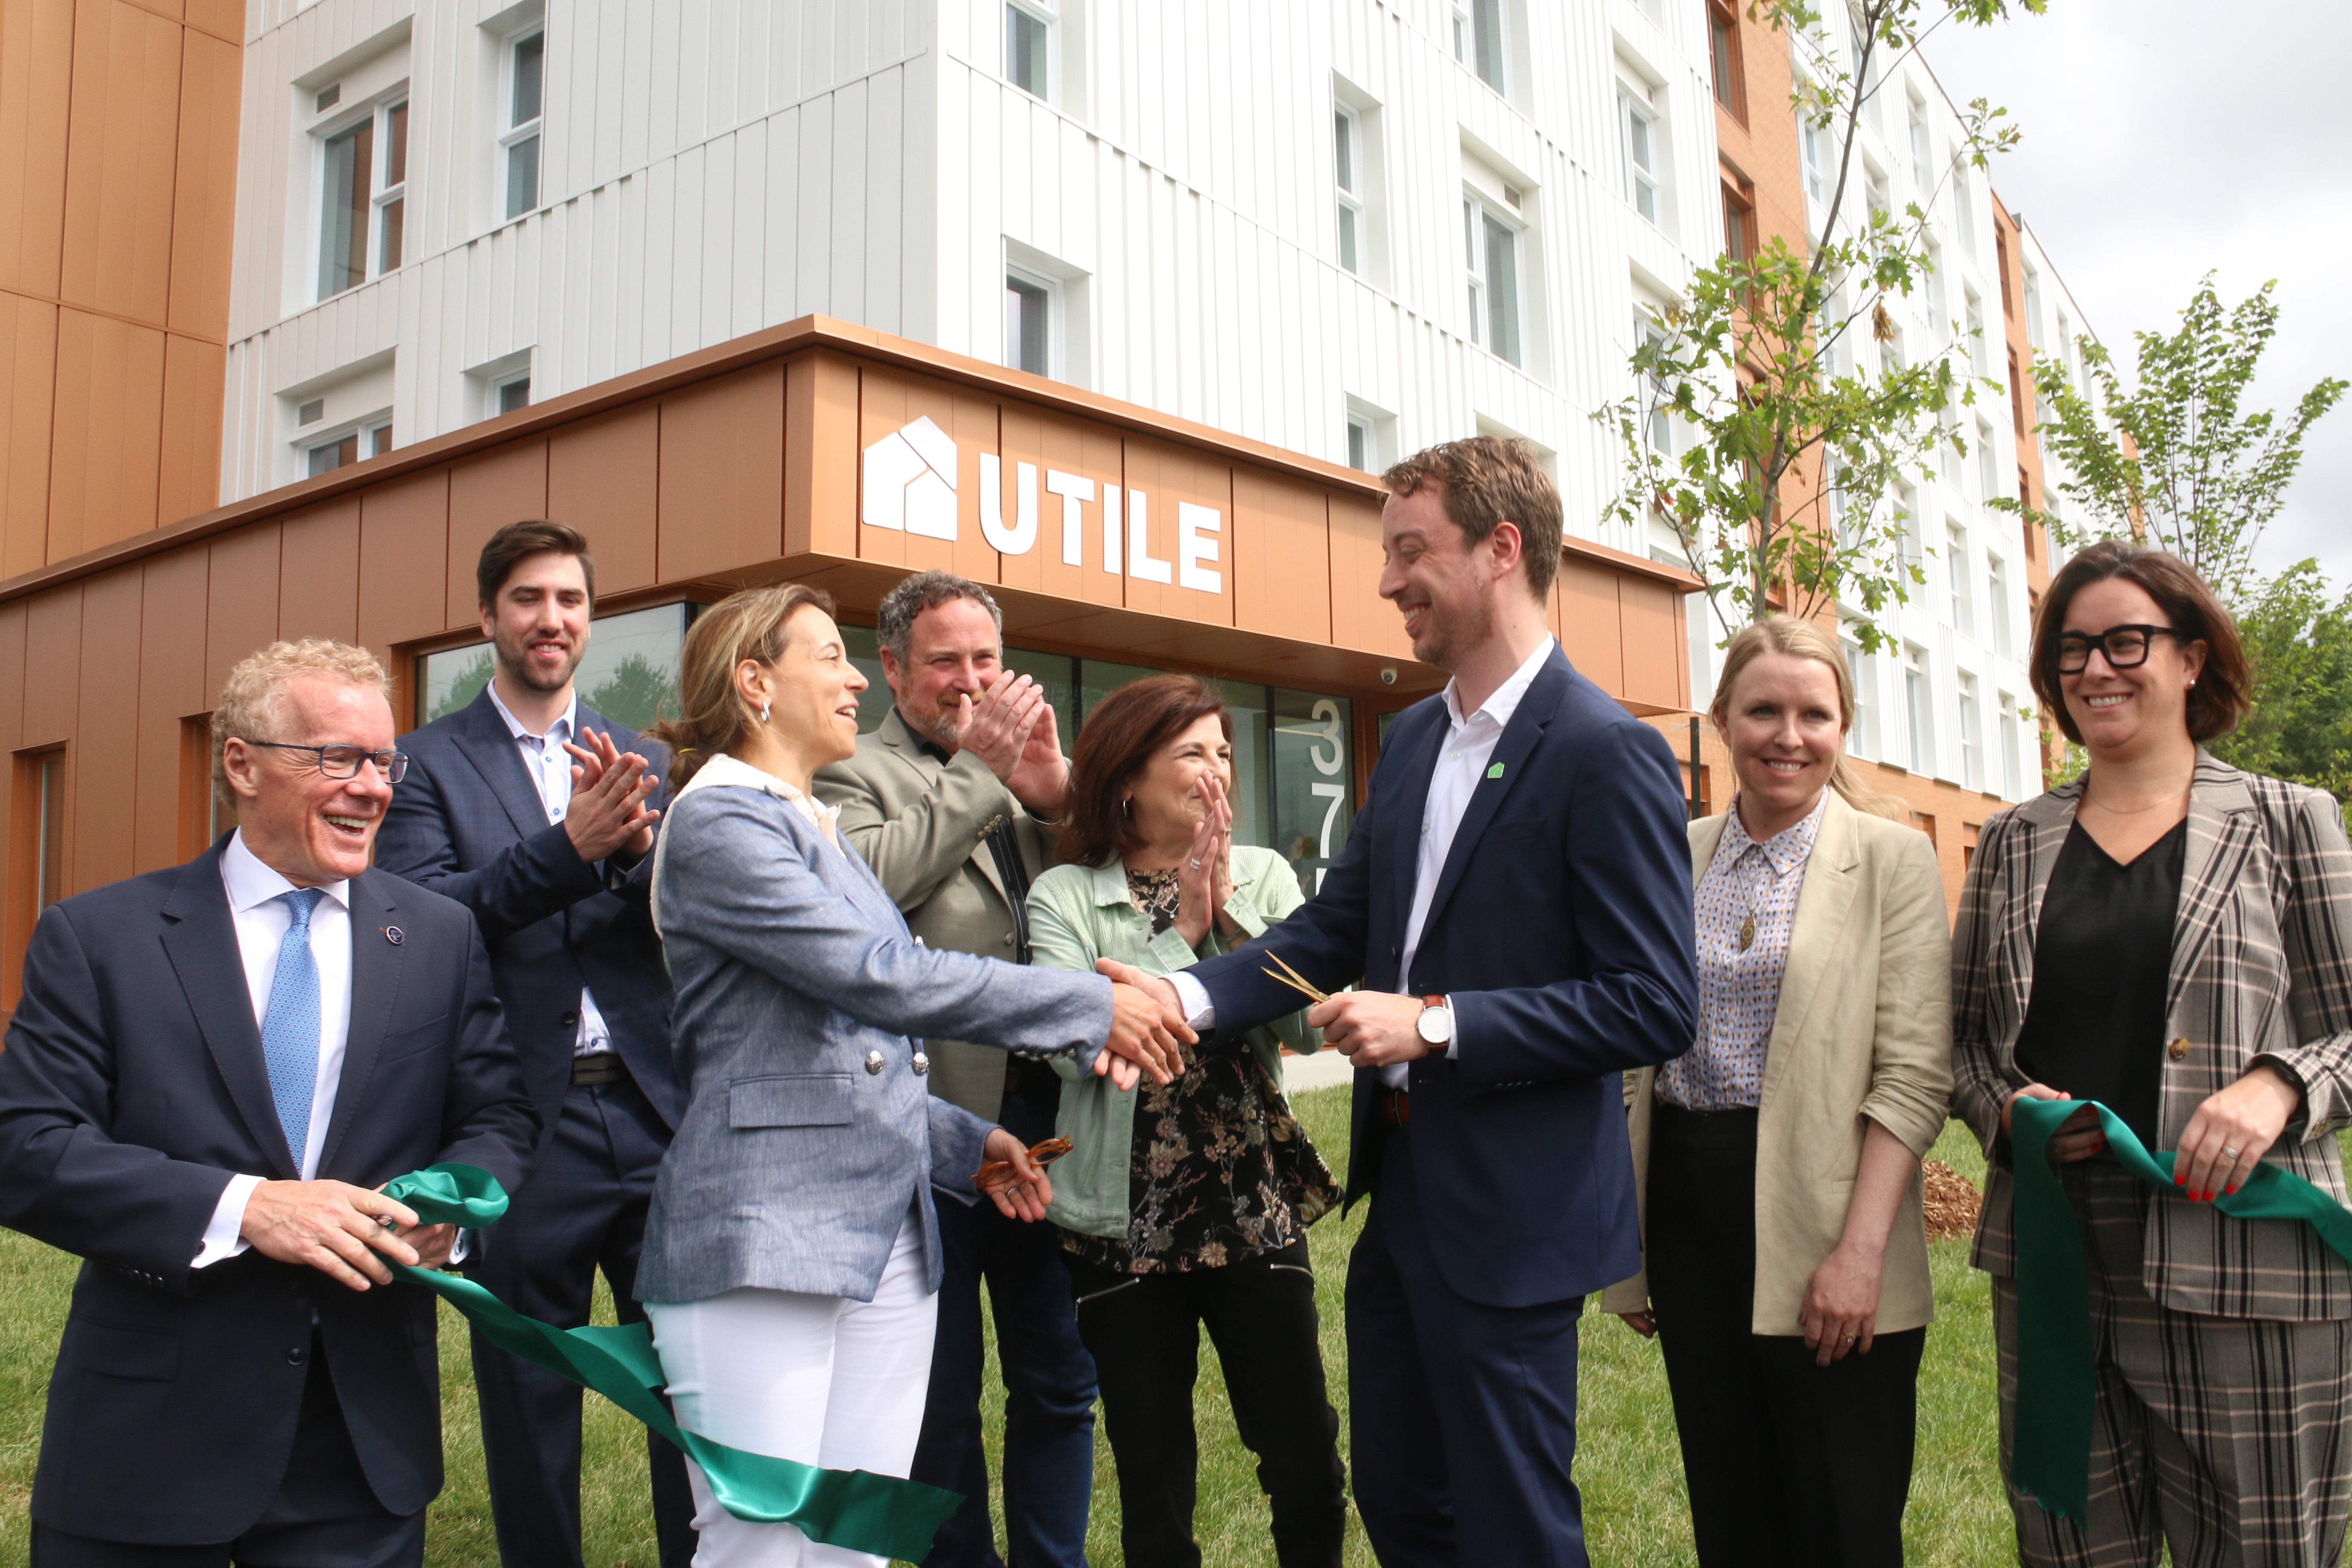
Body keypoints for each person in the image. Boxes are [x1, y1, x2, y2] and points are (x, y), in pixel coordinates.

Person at [1106, 437, 1700, 1568]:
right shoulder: (1421, 736)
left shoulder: (1605, 751)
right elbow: (1332, 930)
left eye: (1410, 552)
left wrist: (1435, 1024)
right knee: (1397, 1499)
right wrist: (1181, 993)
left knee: (1515, 1526)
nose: (1387, 583)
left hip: (1515, 1215)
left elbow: (1654, 1002)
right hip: (1405, 1196)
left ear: (1503, 549)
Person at [632, 583, 1192, 1568]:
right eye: (831, 657)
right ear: (755, 682)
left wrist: (966, 1139)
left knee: (855, 1536)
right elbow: (880, 978)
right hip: (766, 1230)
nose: (856, 678)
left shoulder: (802, 819)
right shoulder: (722, 821)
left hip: (888, 1224)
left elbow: (842, 1041)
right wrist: (1091, 1005)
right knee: (762, 1538)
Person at [0, 639, 539, 1567]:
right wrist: (247, 1207)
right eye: (336, 757)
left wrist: (452, 1207)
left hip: (362, 1452)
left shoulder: (441, 938)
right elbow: (28, 1148)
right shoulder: (99, 939)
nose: (373, 787)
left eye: (382, 760)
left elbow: (497, 1118)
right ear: (241, 765)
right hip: (148, 1451)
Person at [1951, 539, 2352, 1566]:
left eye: (2125, 640)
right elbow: (1962, 1048)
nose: (2094, 669)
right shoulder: (2008, 842)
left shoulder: (2289, 822)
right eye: (2071, 651)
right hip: (2055, 1262)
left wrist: (2282, 1088)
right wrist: (2008, 1111)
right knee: (2070, 1548)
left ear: (2192, 658)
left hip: (2250, 1266)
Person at [1599, 615, 1953, 1568]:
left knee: (1842, 1518)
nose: (1788, 736)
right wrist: (1629, 1245)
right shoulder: (1674, 854)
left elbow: (1916, 1073)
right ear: (1722, 720)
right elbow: (1634, 1052)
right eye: (1763, 710)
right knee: (1733, 1509)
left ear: (1844, 726)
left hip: (1830, 1210)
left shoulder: (1893, 858)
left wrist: (1860, 1254)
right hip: (1686, 1200)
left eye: (1813, 713)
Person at [375, 519, 694, 1568]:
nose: (550, 619)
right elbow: (432, 918)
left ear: (590, 620)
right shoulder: (421, 766)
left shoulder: (646, 759)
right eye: (527, 599)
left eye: (569, 600)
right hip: (523, 1124)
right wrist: (570, 849)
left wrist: (639, 860)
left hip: (655, 1113)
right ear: (486, 619)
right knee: (530, 1395)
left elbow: (686, 924)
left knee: (689, 1388)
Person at [1027, 674, 1348, 1568]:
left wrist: (1227, 918)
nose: (1217, 772)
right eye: (1192, 753)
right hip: (1120, 1221)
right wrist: (1187, 931)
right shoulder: (1065, 896)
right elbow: (1072, 1045)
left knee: (1305, 1458)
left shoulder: (1269, 877)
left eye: (1224, 752)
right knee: (1154, 1471)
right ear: (1128, 778)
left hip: (1250, 1209)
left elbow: (1298, 1024)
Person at [814, 571, 1097, 1568]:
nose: (972, 681)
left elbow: (1086, 898)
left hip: (1056, 1126)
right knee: (942, 1399)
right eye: (946, 661)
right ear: (892, 667)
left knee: (1061, 1377)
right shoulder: (848, 768)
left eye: (987, 658)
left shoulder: (1021, 775)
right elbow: (866, 897)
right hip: (932, 1133)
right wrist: (982, 773)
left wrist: (1061, 799)